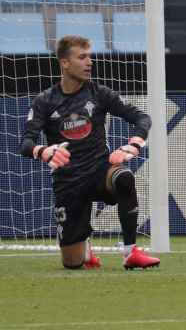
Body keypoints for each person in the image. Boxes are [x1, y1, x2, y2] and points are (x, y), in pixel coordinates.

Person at [19, 35, 160, 270]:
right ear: (65, 63)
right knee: (73, 264)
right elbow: (25, 143)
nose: (89, 62)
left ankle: (130, 252)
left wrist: (134, 144)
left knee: (124, 177)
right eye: (82, 57)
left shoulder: (99, 93)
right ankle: (83, 247)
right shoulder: (44, 101)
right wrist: (43, 151)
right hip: (68, 183)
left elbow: (142, 117)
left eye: (90, 57)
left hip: (98, 172)